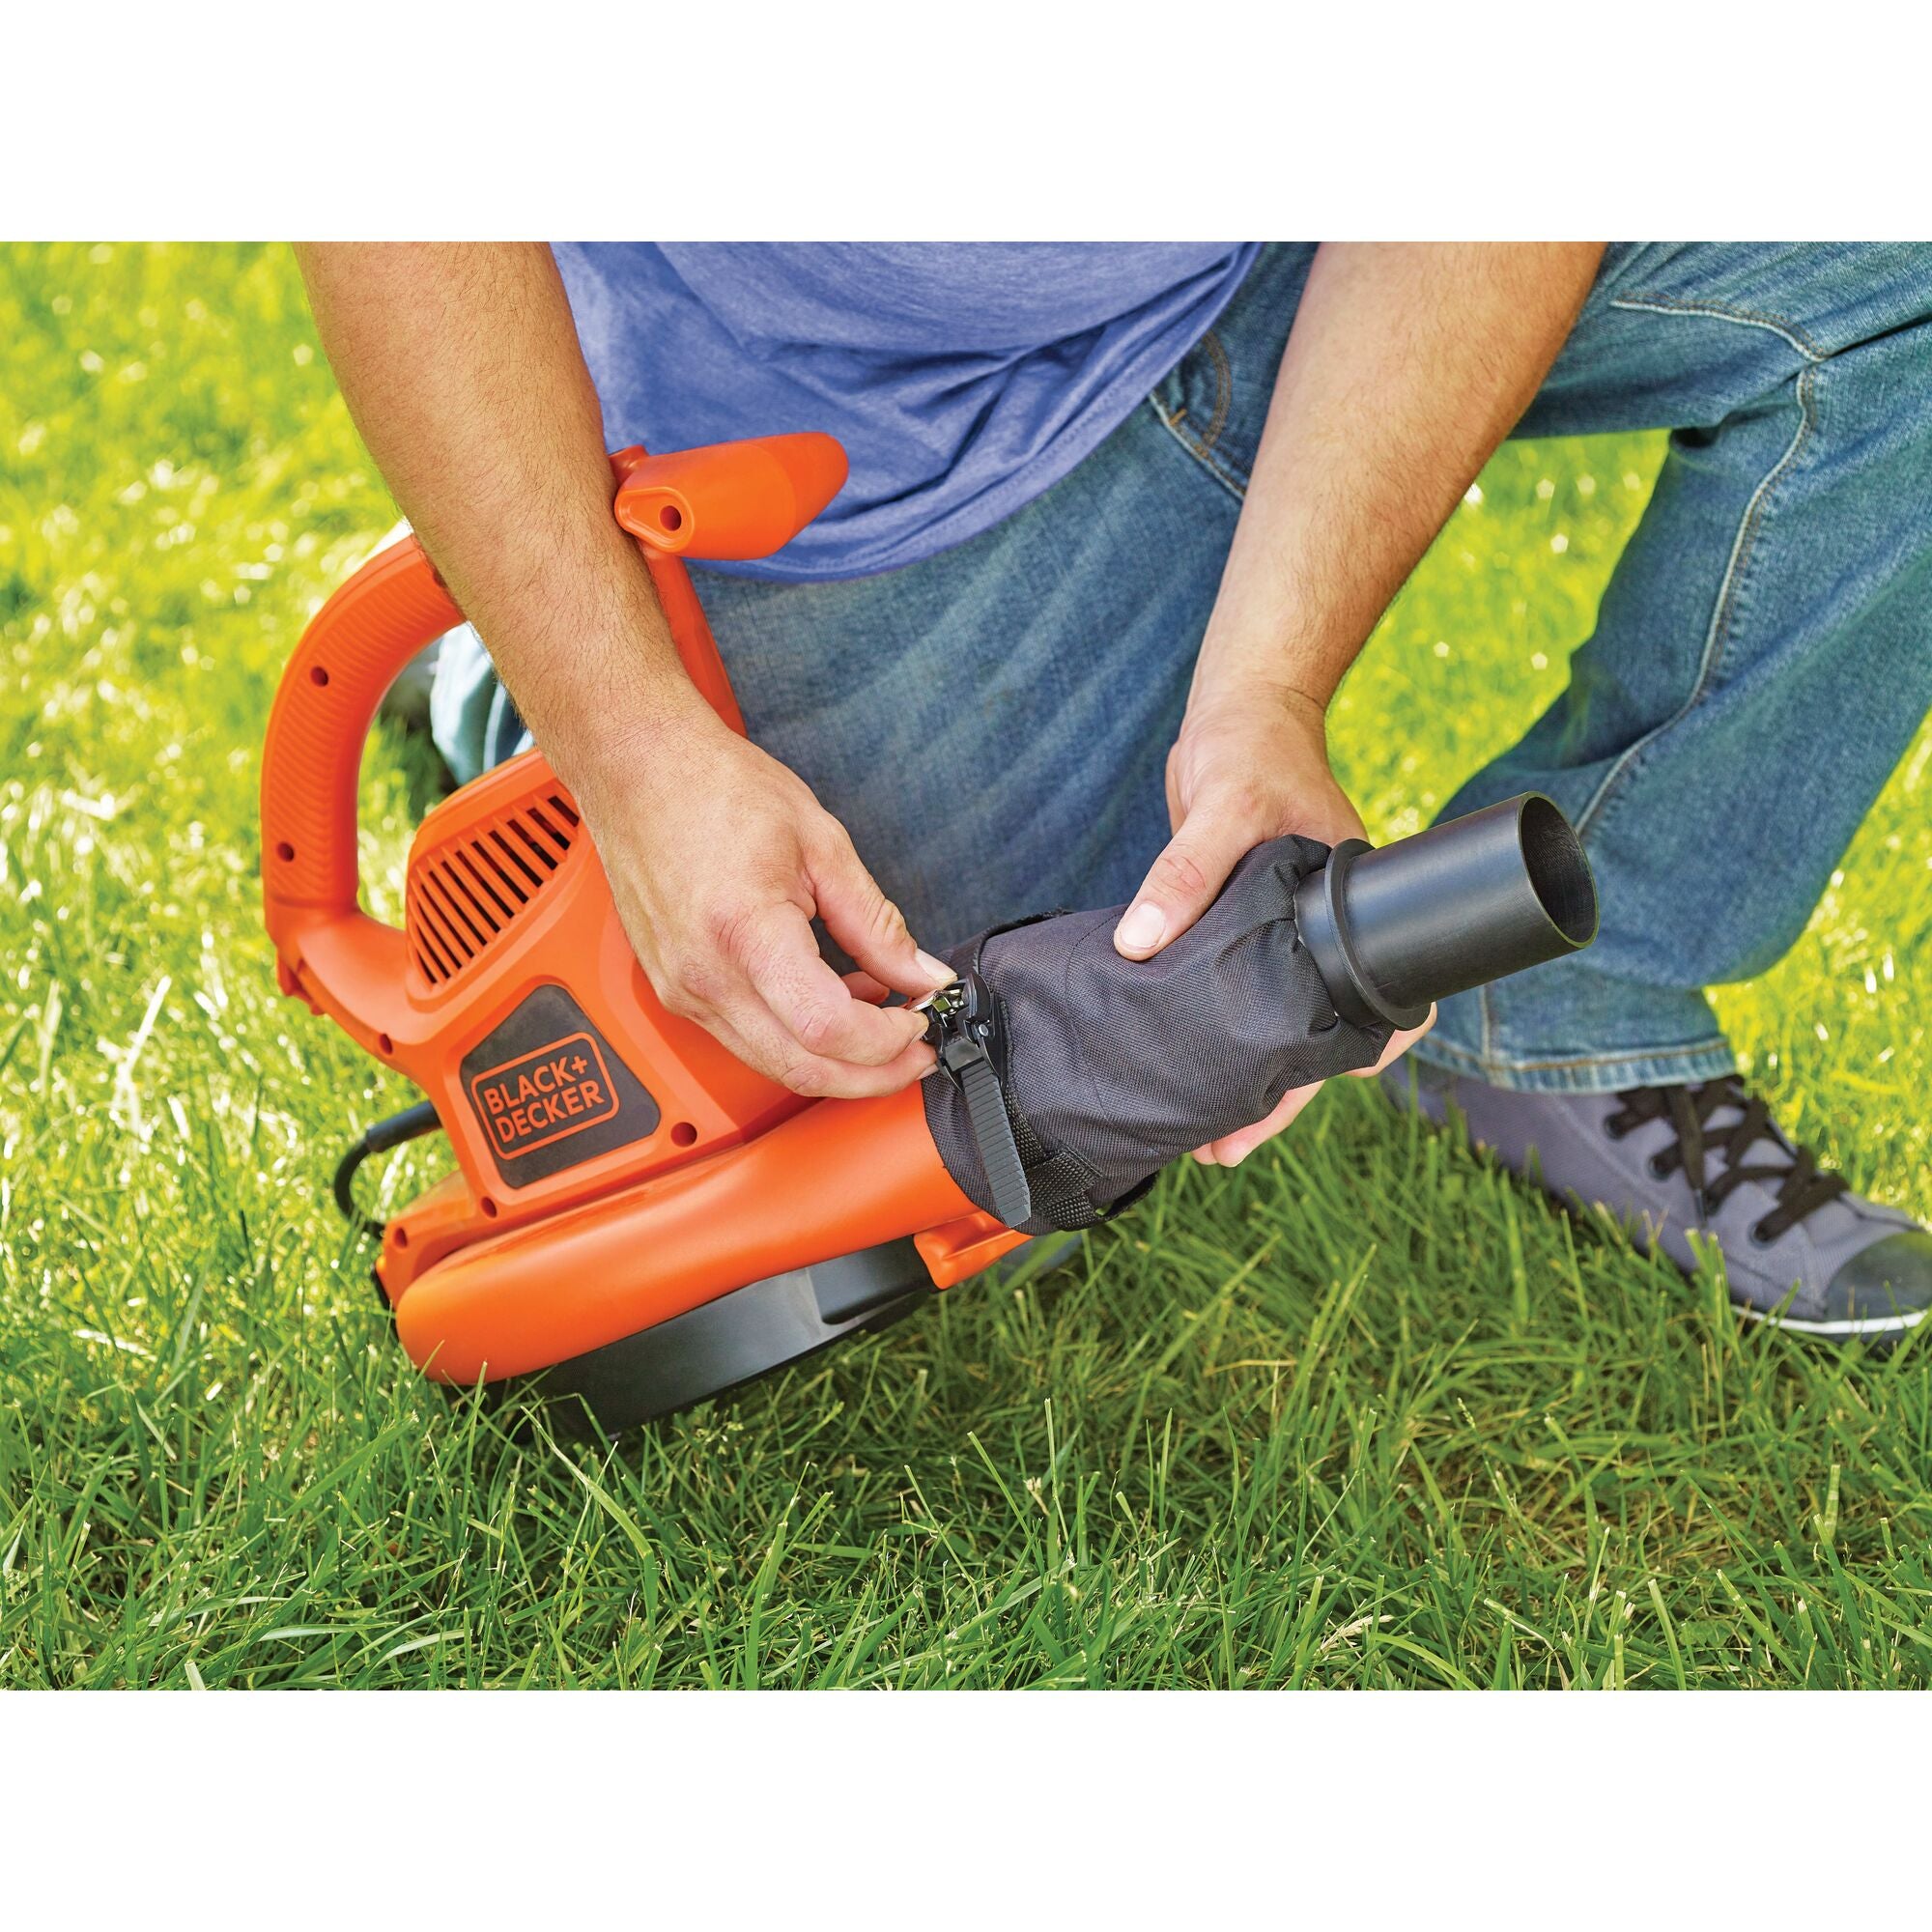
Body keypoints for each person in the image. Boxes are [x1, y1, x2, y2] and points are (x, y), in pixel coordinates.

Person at [296, 242, 1932, 1338]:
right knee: (849, 1053)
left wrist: (1264, 691)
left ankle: (1580, 1006)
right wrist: (639, 756)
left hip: (1263, 275)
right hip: (846, 462)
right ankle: (535, 660)